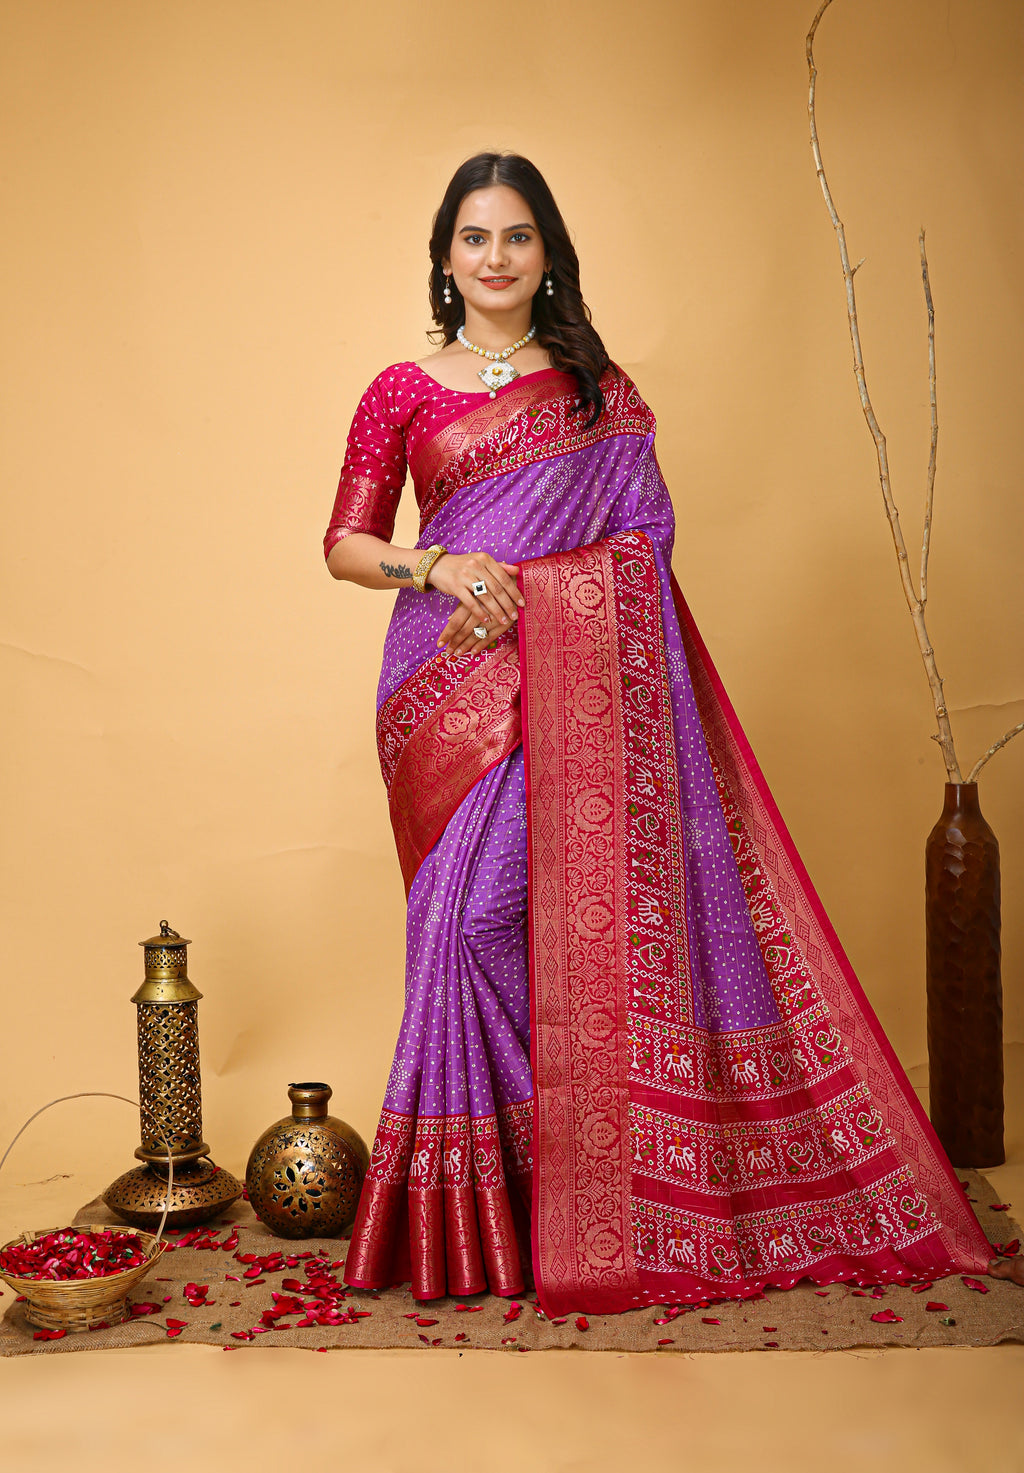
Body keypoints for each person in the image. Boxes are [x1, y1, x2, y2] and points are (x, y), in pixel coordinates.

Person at [324, 152, 1019, 1314]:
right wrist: (438, 566)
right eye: (474, 238)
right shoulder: (402, 389)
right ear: (444, 257)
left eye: (518, 237)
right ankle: (501, 1210)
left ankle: (568, 1193)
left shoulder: (602, 392)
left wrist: (545, 597)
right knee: (451, 926)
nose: (495, 258)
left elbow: (643, 547)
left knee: (492, 921)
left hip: (573, 686)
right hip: (444, 687)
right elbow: (346, 543)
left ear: (549, 256)